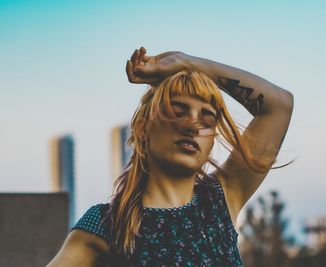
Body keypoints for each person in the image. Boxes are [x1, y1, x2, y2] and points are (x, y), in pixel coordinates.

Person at [47, 47, 294, 266]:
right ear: (143, 128)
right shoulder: (105, 225)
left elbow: (279, 104)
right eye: (177, 112)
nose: (192, 125)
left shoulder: (220, 199)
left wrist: (188, 62)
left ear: (210, 142)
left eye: (207, 119)